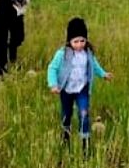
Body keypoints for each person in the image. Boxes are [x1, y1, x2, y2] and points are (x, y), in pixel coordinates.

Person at [47, 16, 111, 154]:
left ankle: (85, 142)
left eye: (82, 40)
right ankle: (65, 135)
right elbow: (52, 68)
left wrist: (103, 74)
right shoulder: (62, 54)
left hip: (82, 89)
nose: (79, 44)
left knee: (84, 113)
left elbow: (94, 65)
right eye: (76, 41)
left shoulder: (87, 53)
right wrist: (53, 84)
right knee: (67, 114)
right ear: (69, 41)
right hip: (66, 90)